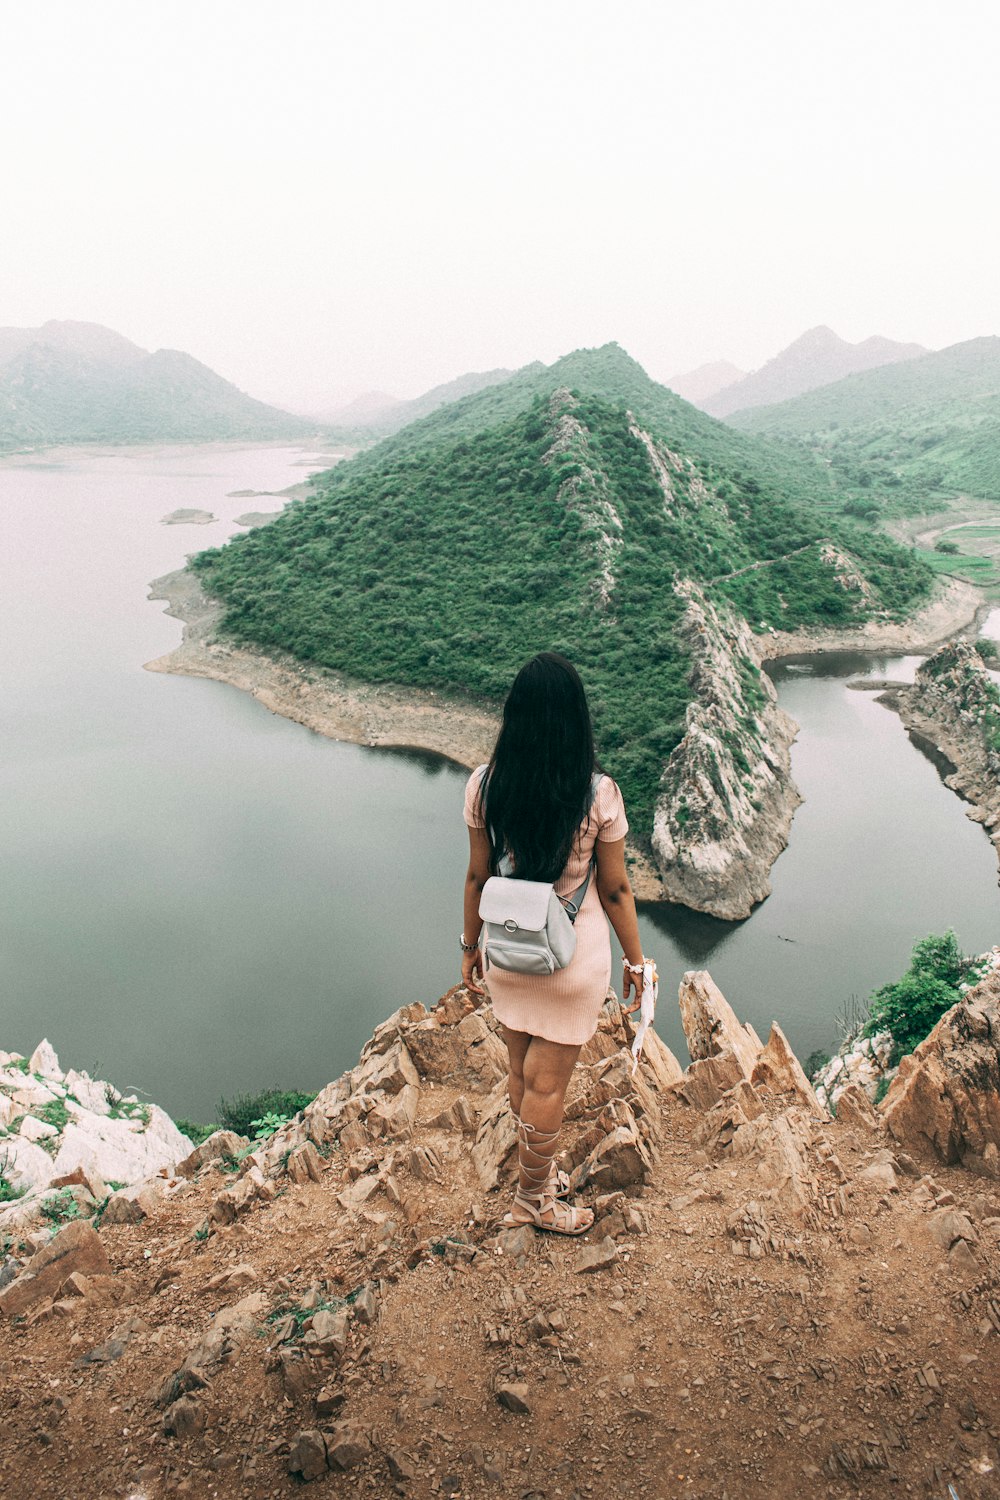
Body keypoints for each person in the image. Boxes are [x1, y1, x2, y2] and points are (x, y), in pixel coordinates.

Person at [460, 652, 650, 1236]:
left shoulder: (486, 784)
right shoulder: (598, 794)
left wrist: (471, 946)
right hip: (571, 957)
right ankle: (533, 1200)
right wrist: (638, 963)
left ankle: (536, 1175)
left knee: (522, 1072)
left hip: (508, 949)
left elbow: (476, 875)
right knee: (548, 1084)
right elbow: (615, 889)